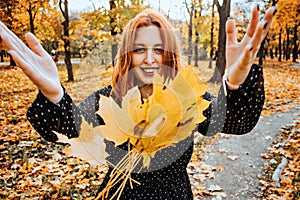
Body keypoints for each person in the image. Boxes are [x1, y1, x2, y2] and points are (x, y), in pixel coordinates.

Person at [0, 5, 277, 199]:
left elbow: (237, 122)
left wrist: (236, 82)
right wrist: (54, 94)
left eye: (158, 49)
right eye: (139, 49)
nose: (149, 58)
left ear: (168, 54)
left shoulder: (188, 99)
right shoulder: (109, 99)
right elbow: (70, 129)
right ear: (128, 55)